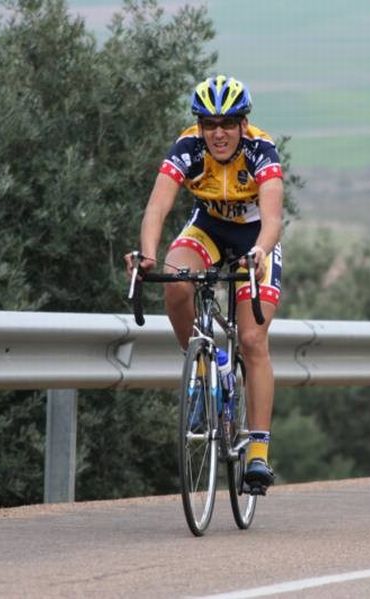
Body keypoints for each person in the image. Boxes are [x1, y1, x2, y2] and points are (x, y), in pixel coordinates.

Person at [125, 75, 284, 494]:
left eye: (228, 123)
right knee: (176, 282)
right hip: (208, 228)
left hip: (255, 238)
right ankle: (203, 367)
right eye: (209, 124)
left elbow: (273, 219)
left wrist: (261, 251)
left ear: (243, 124)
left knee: (252, 339)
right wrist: (146, 254)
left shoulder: (261, 150)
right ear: (199, 126)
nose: (218, 133)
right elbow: (157, 207)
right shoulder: (187, 148)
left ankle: (258, 454)